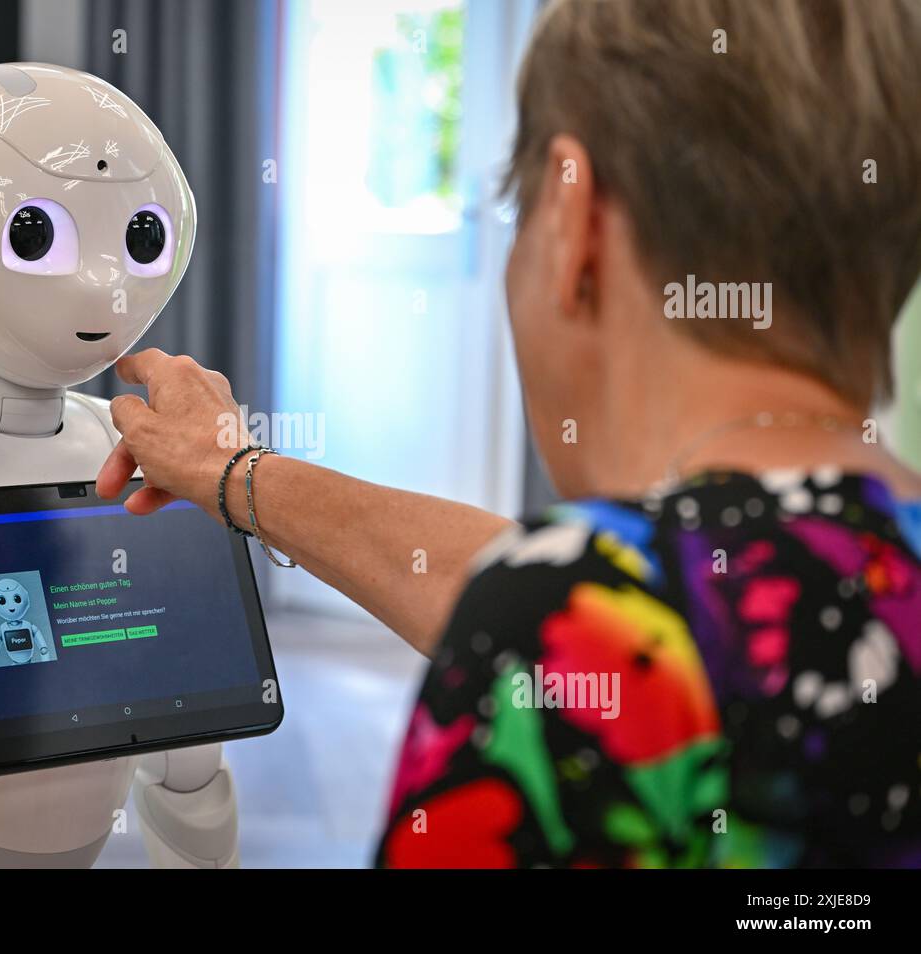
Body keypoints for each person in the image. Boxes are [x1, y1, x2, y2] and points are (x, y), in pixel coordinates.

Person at [96, 0, 921, 867]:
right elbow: (596, 600)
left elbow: (578, 614)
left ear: (574, 219)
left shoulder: (561, 625)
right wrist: (235, 473)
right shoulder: (647, 606)